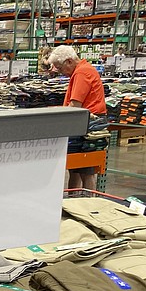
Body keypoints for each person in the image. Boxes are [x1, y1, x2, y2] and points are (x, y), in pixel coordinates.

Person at [48, 45, 106, 191]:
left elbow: (75, 105)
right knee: (76, 169)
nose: (62, 73)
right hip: (85, 122)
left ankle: (87, 205)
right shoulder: (82, 70)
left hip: (88, 125)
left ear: (69, 61)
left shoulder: (82, 73)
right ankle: (74, 203)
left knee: (85, 171)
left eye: (61, 68)